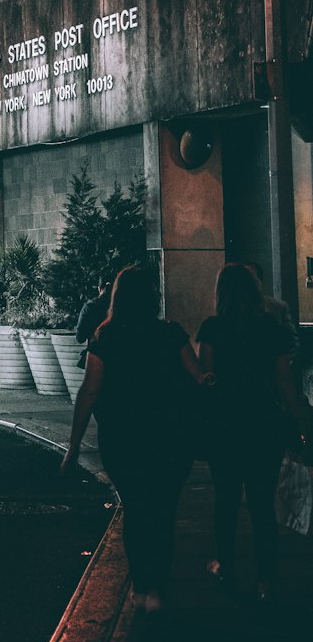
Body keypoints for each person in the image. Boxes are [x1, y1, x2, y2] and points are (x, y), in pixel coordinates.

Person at [61, 265, 210, 614]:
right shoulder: (171, 334)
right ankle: (157, 589)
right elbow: (198, 378)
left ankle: (142, 587)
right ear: (152, 297)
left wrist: (73, 446)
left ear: (118, 296)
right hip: (172, 436)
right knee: (163, 511)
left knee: (137, 510)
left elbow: (90, 391)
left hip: (123, 438)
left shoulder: (106, 337)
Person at [197, 263, 310, 599]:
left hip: (225, 426)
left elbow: (207, 378)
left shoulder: (212, 329)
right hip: (263, 424)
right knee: (262, 503)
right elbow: (285, 383)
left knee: (226, 500)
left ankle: (225, 565)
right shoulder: (270, 329)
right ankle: (267, 578)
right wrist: (298, 422)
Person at [76, 275, 113, 345]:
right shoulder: (122, 307)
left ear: (99, 288)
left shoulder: (89, 307)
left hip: (96, 352)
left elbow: (80, 338)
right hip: (118, 353)